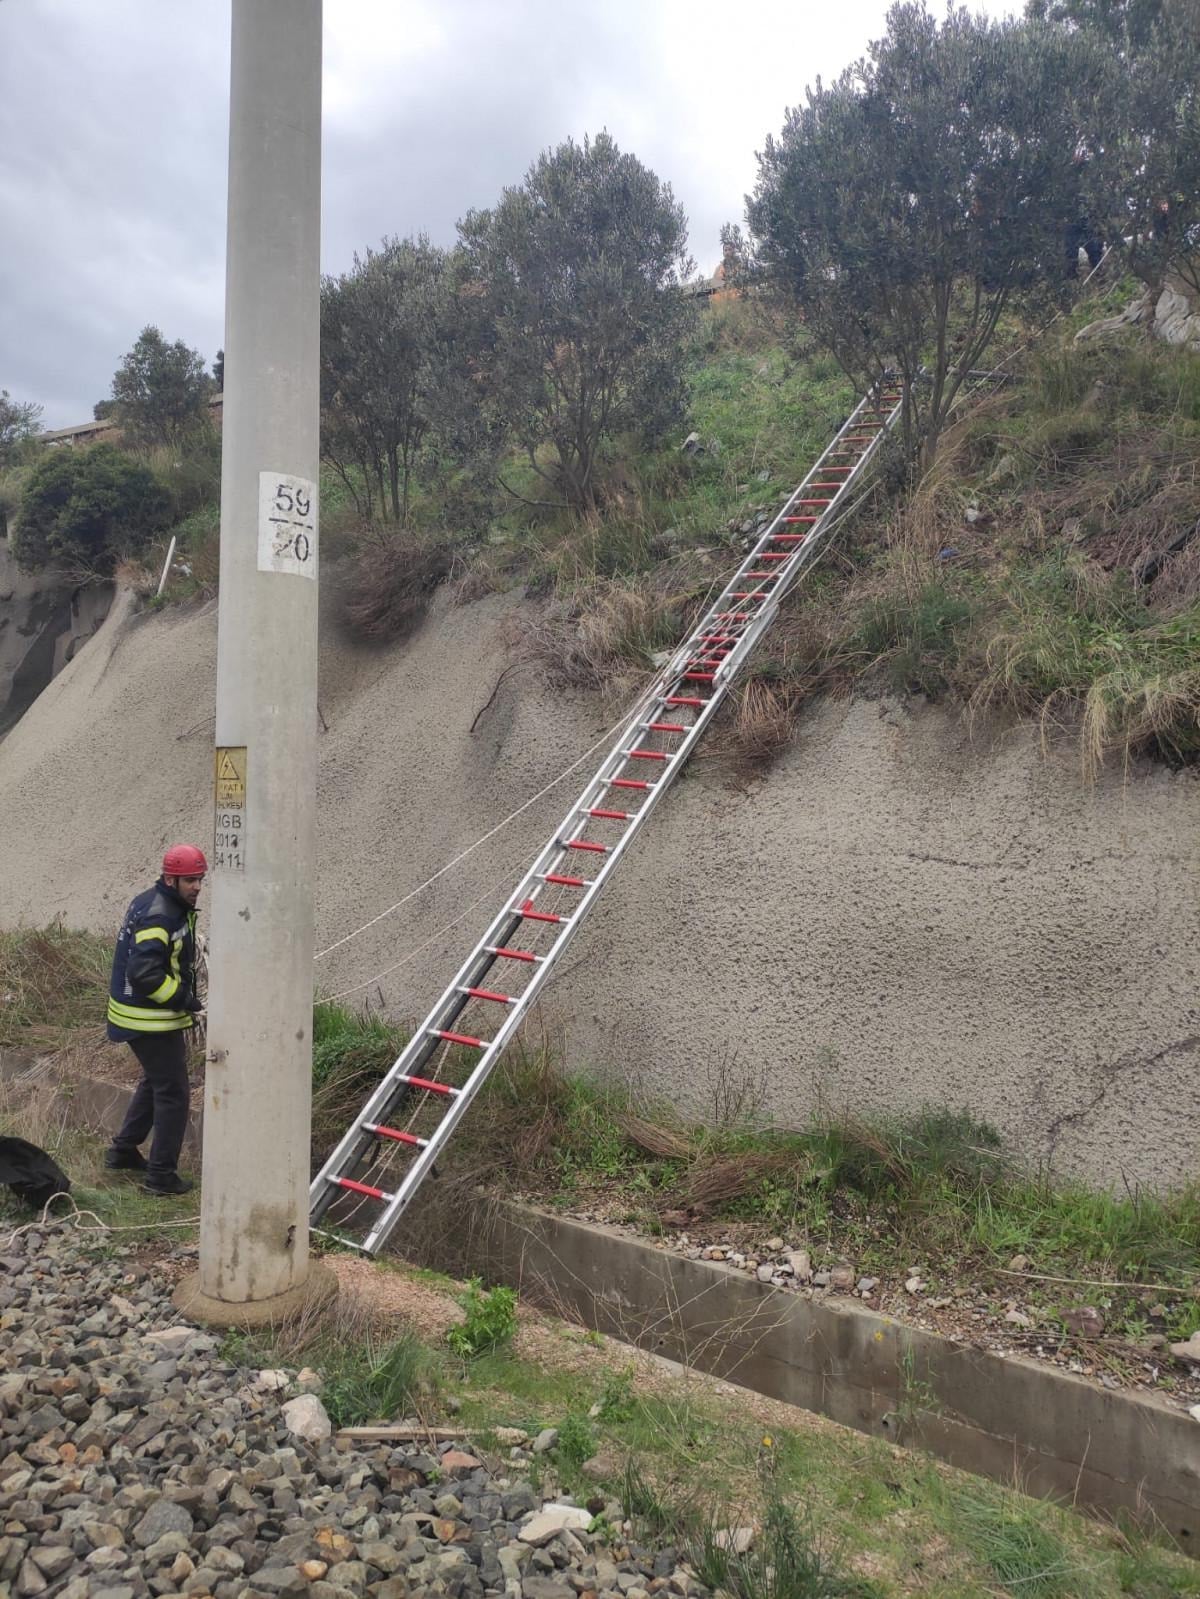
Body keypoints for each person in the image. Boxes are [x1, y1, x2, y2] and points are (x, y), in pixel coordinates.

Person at [104, 844, 207, 1195]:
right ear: (170, 879)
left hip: (138, 1015)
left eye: (200, 879)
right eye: (190, 880)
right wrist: (184, 999)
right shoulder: (162, 915)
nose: (196, 887)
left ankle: (122, 1151)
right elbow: (145, 973)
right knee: (174, 1093)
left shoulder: (152, 901)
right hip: (149, 1019)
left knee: (156, 1081)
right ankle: (161, 1177)